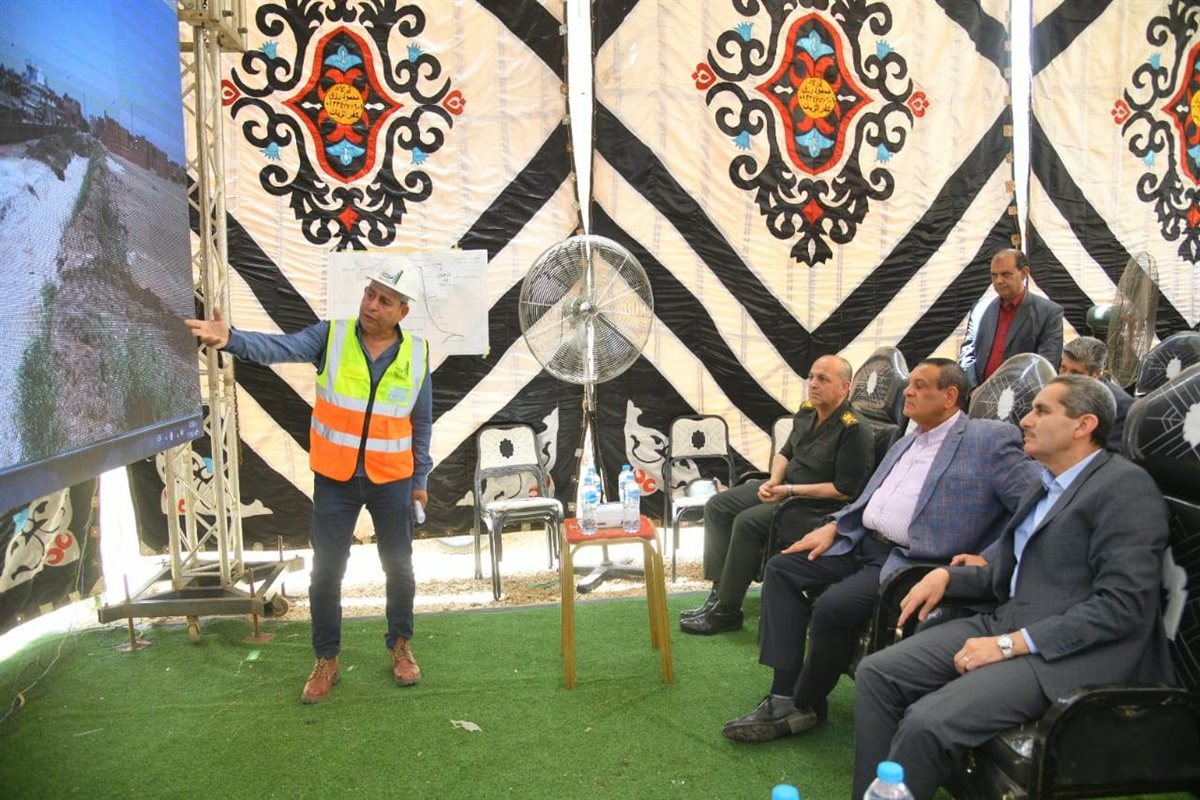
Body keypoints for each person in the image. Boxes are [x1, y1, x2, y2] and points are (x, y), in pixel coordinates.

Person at [852, 375, 1174, 800]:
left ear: (1084, 425)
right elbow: (1005, 573)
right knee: (878, 673)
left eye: (1042, 410)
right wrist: (947, 576)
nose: (1024, 420)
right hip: (1008, 621)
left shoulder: (1125, 488)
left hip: (1069, 653)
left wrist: (1009, 645)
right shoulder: (1046, 483)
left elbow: (1121, 606)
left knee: (926, 722)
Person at [721, 359, 1040, 743]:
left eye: (919, 386)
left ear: (950, 396)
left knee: (833, 606)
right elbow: (868, 499)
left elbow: (1038, 505)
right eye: (910, 384)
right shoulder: (906, 440)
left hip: (910, 560)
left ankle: (805, 704)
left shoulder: (988, 439)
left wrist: (989, 557)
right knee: (782, 568)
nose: (907, 391)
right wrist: (834, 526)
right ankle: (784, 692)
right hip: (860, 540)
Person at [184, 266, 432, 704]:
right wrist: (231, 339)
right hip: (336, 478)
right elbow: (279, 348)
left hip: (392, 479)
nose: (372, 305)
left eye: (384, 301)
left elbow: (421, 420)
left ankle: (400, 646)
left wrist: (420, 479)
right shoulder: (331, 336)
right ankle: (326, 659)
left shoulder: (417, 353)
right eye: (370, 294)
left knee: (399, 568)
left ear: (402, 312)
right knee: (326, 573)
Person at [681, 355, 874, 635]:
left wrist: (788, 490)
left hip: (813, 506)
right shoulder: (807, 411)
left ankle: (727, 611)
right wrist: (773, 481)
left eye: (823, 379)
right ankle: (718, 593)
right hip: (785, 488)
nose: (813, 384)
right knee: (717, 506)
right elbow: (785, 453)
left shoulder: (854, 429)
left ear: (845, 387)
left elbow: (845, 491)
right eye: (811, 377)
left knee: (747, 522)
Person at [959, 249, 1064, 387]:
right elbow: (967, 354)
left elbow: (1046, 365)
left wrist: (1013, 396)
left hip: (1022, 397)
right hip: (977, 395)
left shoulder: (1048, 313)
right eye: (994, 275)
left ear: (1024, 273)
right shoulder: (980, 309)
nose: (998, 281)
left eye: (1005, 274)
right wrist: (974, 390)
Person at [1059, 336, 1132, 453]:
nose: (1065, 377)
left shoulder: (1121, 406)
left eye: (1075, 372)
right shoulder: (1052, 390)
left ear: (1096, 374)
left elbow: (1110, 454)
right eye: (1063, 368)